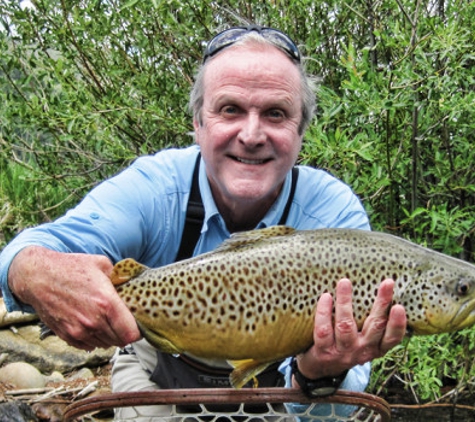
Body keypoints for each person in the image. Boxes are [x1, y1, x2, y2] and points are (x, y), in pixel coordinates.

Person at [0, 25, 406, 421]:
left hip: (282, 390)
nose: (251, 134)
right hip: (157, 374)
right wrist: (34, 271)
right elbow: (24, 253)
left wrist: (321, 373)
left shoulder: (333, 217)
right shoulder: (155, 189)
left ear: (301, 132)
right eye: (230, 109)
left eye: (275, 114)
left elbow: (334, 412)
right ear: (198, 124)